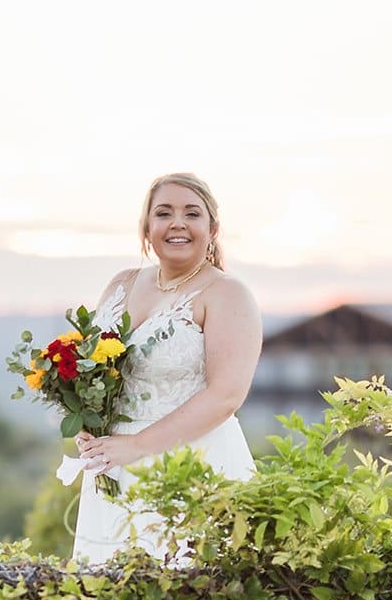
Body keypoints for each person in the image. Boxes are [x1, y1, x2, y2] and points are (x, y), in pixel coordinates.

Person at [56, 171, 262, 565]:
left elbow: (226, 396)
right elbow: (91, 370)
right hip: (112, 467)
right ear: (147, 228)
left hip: (192, 466)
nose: (177, 223)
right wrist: (87, 423)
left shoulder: (227, 294)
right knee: (108, 595)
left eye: (192, 213)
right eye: (164, 213)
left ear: (212, 228)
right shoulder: (121, 284)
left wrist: (135, 446)